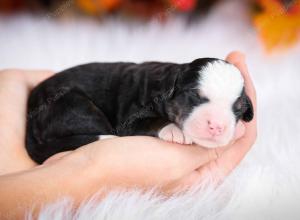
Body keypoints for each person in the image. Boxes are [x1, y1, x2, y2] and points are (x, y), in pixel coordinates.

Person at [0, 51, 256, 219]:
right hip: (62, 106)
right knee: (86, 114)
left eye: (235, 110)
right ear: (171, 90)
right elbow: (131, 122)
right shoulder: (155, 87)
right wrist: (89, 168)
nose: (218, 124)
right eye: (198, 100)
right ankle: (73, 143)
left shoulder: (172, 86)